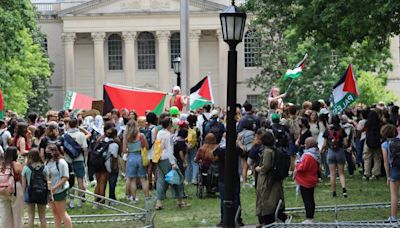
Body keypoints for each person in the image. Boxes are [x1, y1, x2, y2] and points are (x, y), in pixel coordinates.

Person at [255, 130, 289, 226]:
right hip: (273, 179)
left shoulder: (267, 151)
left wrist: (258, 169)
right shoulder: (274, 150)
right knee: (274, 198)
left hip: (266, 179)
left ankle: (265, 219)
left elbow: (266, 166)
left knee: (266, 199)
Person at [155, 117, 189, 210]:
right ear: (170, 124)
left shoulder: (159, 133)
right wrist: (173, 162)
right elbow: (170, 150)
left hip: (160, 158)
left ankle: (159, 202)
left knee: (161, 181)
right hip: (168, 159)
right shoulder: (168, 135)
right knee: (176, 179)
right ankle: (179, 201)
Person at [294, 137, 321, 224]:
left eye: (306, 143)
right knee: (310, 199)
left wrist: (297, 163)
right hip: (312, 178)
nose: (304, 145)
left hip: (305, 180)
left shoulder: (307, 156)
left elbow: (302, 167)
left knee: (307, 200)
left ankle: (309, 218)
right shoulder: (316, 154)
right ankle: (311, 216)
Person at [45, 144, 72, 228]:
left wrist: (54, 188)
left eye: (50, 151)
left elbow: (65, 177)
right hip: (50, 191)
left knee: (62, 213)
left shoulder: (61, 162)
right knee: (55, 213)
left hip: (59, 190)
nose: (48, 153)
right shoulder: (47, 162)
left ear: (55, 151)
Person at [123, 120, 150, 204]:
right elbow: (147, 146)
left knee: (132, 179)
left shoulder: (126, 136)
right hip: (140, 157)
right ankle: (147, 197)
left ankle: (133, 198)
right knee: (143, 179)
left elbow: (124, 150)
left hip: (131, 157)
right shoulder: (141, 135)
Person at [93, 123, 119, 208]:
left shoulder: (101, 141)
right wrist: (115, 169)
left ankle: (95, 201)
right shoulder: (114, 145)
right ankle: (101, 202)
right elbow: (114, 158)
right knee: (102, 183)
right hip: (105, 165)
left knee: (98, 182)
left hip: (96, 163)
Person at [21, 148, 48, 228]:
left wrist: (22, 195)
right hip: (42, 193)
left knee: (31, 216)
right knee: (42, 217)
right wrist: (50, 193)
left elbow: (24, 185)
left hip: (30, 193)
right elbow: (48, 182)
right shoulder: (44, 167)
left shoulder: (26, 168)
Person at [322, 115, 348, 198]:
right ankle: (344, 190)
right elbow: (346, 144)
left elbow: (324, 144)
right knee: (341, 173)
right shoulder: (341, 130)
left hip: (330, 152)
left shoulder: (327, 130)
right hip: (340, 152)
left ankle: (333, 192)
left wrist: (322, 150)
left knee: (332, 174)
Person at [65, 117, 88, 209]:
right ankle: (79, 201)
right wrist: (85, 160)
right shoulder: (81, 135)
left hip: (68, 161)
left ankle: (71, 202)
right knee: (80, 181)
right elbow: (85, 149)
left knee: (70, 182)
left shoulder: (65, 135)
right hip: (79, 160)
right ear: (77, 124)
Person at [0, 146, 24, 228]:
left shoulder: (1, 165)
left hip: (2, 190)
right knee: (18, 215)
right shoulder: (16, 164)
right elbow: (22, 179)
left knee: (5, 215)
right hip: (15, 188)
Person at [381, 124, 400, 223]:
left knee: (394, 195)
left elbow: (386, 162)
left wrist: (388, 177)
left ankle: (393, 217)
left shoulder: (385, 145)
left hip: (394, 171)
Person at [363, 110, 383, 180]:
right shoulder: (379, 124)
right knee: (377, 158)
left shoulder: (367, 123)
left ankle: (366, 173)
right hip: (377, 142)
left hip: (368, 142)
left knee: (367, 158)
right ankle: (377, 173)